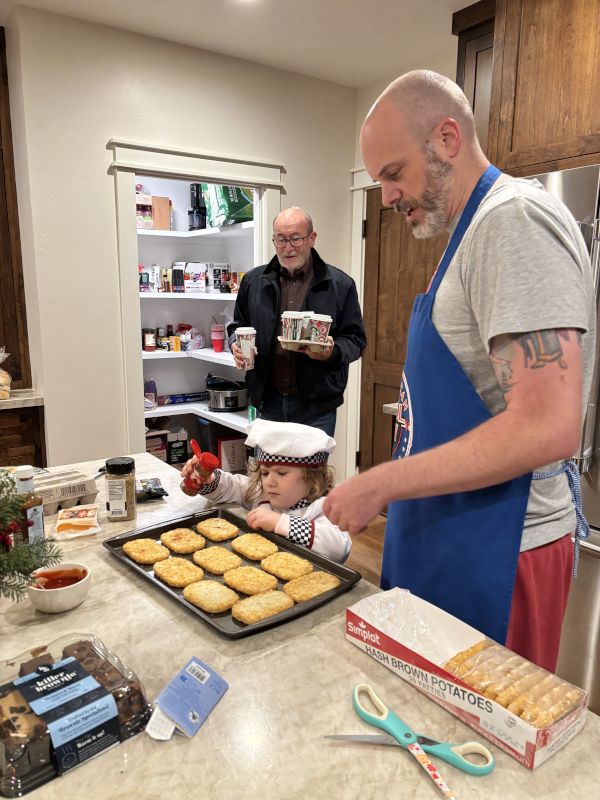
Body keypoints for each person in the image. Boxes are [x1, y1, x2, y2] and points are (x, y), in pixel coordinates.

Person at [323, 70, 596, 672]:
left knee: (488, 749)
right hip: (451, 533)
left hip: (500, 549)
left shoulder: (512, 223)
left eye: (393, 174)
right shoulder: (465, 235)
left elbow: (547, 426)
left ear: (448, 138)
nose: (387, 197)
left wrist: (380, 482)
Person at [228, 207, 366, 437]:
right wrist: (234, 343)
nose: (288, 247)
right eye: (280, 239)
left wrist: (332, 352)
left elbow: (356, 340)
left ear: (312, 238)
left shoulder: (340, 285)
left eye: (295, 239)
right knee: (266, 474)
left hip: (316, 408)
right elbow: (237, 325)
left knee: (311, 474)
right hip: (266, 403)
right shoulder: (253, 281)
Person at [181, 419, 351, 563]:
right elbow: (231, 486)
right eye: (264, 473)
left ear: (312, 478)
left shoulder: (323, 509)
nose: (269, 481)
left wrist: (280, 522)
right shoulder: (261, 493)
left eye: (281, 473)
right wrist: (209, 479)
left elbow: (339, 547)